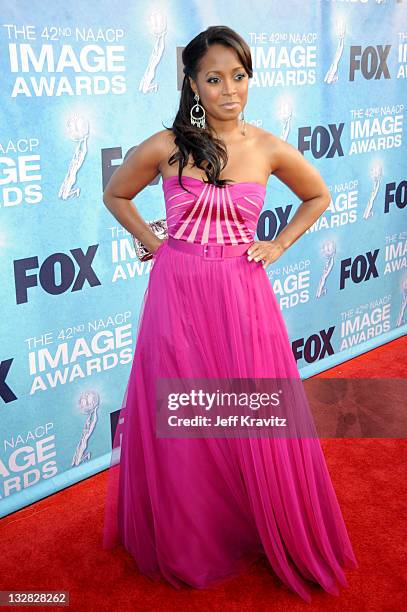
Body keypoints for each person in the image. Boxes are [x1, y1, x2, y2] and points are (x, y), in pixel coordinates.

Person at [102, 25, 358, 603]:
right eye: (213, 78)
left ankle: (255, 520)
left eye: (237, 77)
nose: (228, 90)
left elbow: (318, 194)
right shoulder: (168, 145)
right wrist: (153, 240)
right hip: (179, 290)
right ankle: (196, 537)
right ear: (192, 83)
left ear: (249, 79)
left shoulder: (266, 146)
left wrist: (280, 244)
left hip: (242, 295)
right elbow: (116, 192)